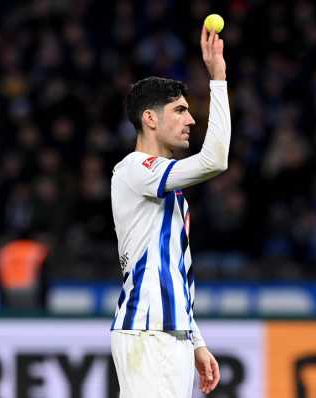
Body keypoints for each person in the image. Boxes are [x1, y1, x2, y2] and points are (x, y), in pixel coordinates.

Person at [110, 25, 228, 397]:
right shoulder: (133, 170)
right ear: (150, 118)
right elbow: (215, 160)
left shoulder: (171, 190)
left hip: (170, 334)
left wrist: (196, 341)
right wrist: (218, 79)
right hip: (147, 334)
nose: (190, 120)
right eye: (179, 110)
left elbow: (178, 271)